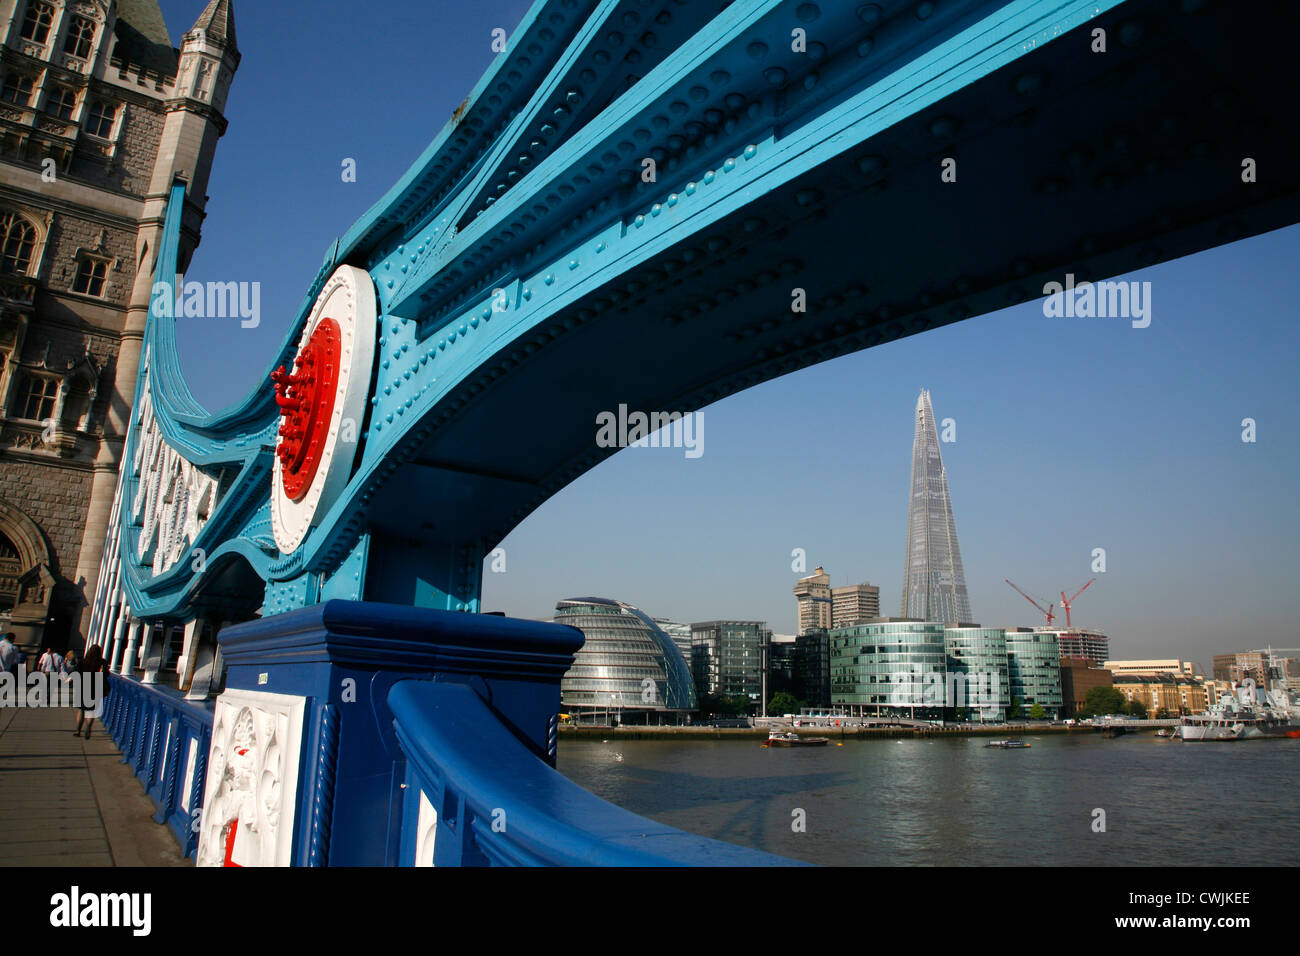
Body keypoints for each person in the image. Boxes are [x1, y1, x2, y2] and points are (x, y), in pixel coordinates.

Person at [75, 645, 109, 739]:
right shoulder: (102, 662)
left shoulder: (83, 661)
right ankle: (88, 727)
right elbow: (106, 674)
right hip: (96, 687)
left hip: (83, 686)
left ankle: (78, 730)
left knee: (81, 710)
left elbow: (76, 673)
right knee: (91, 711)